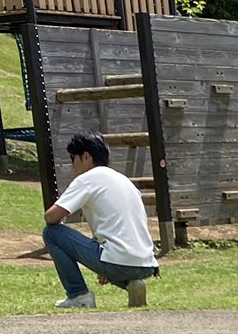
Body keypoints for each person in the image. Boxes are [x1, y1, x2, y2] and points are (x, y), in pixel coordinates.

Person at [42, 133, 159, 310]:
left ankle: (78, 295)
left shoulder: (87, 179)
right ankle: (132, 283)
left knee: (51, 233)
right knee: (111, 256)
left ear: (86, 156)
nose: (73, 165)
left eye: (73, 158)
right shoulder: (124, 180)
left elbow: (51, 217)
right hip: (147, 263)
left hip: (116, 259)